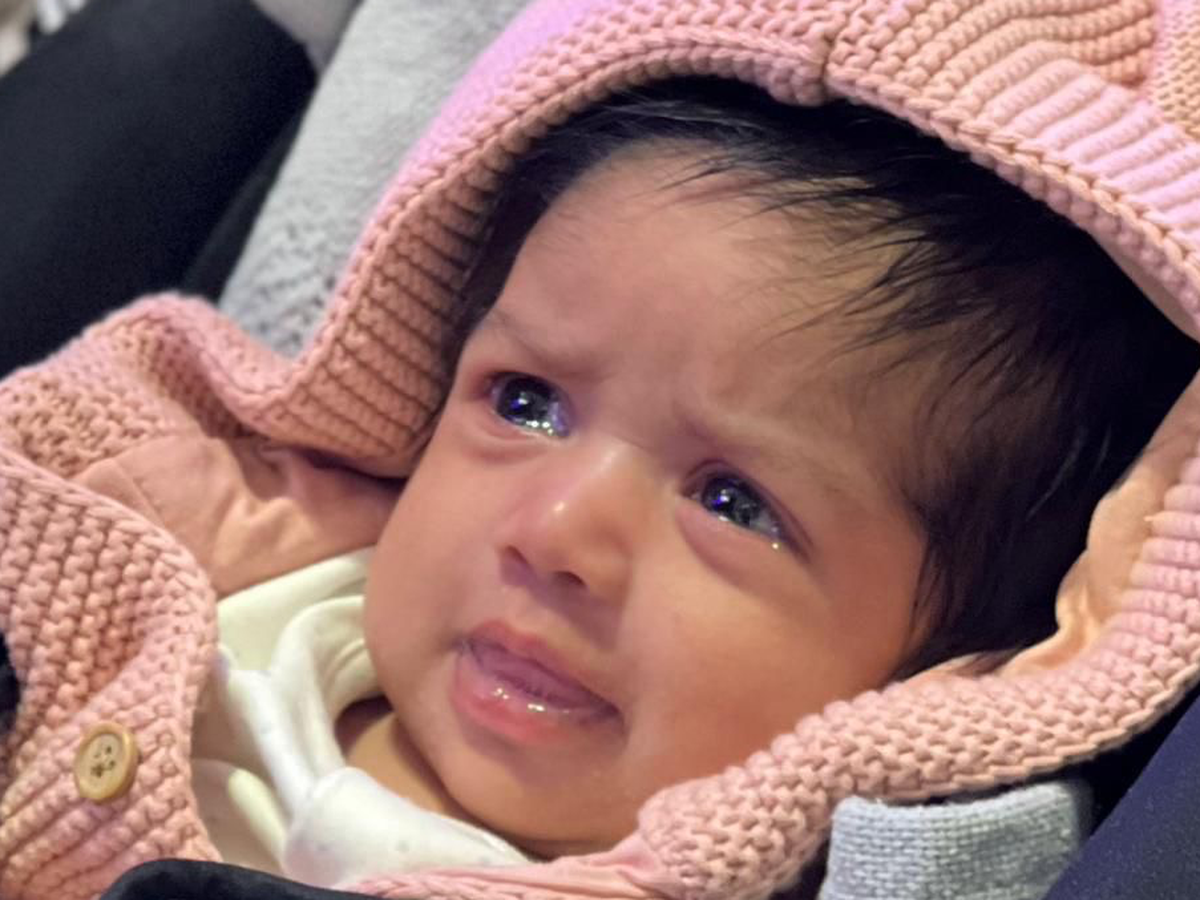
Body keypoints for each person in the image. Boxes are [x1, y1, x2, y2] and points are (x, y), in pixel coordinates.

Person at [3, 1, 1200, 899]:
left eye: (735, 502)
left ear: (956, 675)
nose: (558, 532)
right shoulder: (180, 551)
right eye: (525, 403)